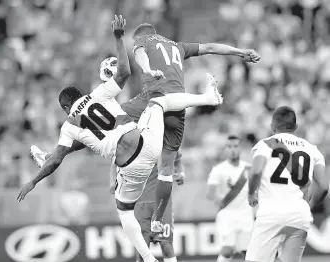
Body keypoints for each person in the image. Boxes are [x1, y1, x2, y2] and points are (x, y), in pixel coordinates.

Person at [17, 15, 223, 262]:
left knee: (125, 214)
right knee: (159, 101)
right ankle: (206, 98)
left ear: (64, 107)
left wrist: (33, 181)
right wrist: (118, 37)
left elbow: (57, 161)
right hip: (148, 145)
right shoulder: (99, 94)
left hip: (128, 165)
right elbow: (125, 71)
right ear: (80, 94)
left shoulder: (68, 126)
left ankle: (147, 258)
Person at [124, 23, 261, 232]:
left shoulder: (142, 41)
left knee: (113, 116)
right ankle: (157, 220)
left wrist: (147, 69)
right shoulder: (178, 46)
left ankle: (75, 141)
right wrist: (240, 52)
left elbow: (140, 55)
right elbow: (210, 47)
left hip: (155, 98)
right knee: (166, 169)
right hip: (179, 106)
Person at [246, 106, 329, 262]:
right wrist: (308, 206)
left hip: (271, 214)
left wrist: (251, 193)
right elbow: (324, 186)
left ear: (272, 127)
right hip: (299, 215)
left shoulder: (265, 144)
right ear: (296, 127)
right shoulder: (312, 150)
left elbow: (256, 171)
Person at [206, 135, 254, 262]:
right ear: (225, 149)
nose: (233, 149)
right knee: (228, 250)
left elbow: (256, 190)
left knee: (248, 253)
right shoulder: (218, 169)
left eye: (236, 146)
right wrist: (218, 199)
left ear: (241, 148)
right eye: (229, 146)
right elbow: (210, 193)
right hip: (227, 215)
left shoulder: (249, 169)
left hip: (246, 215)